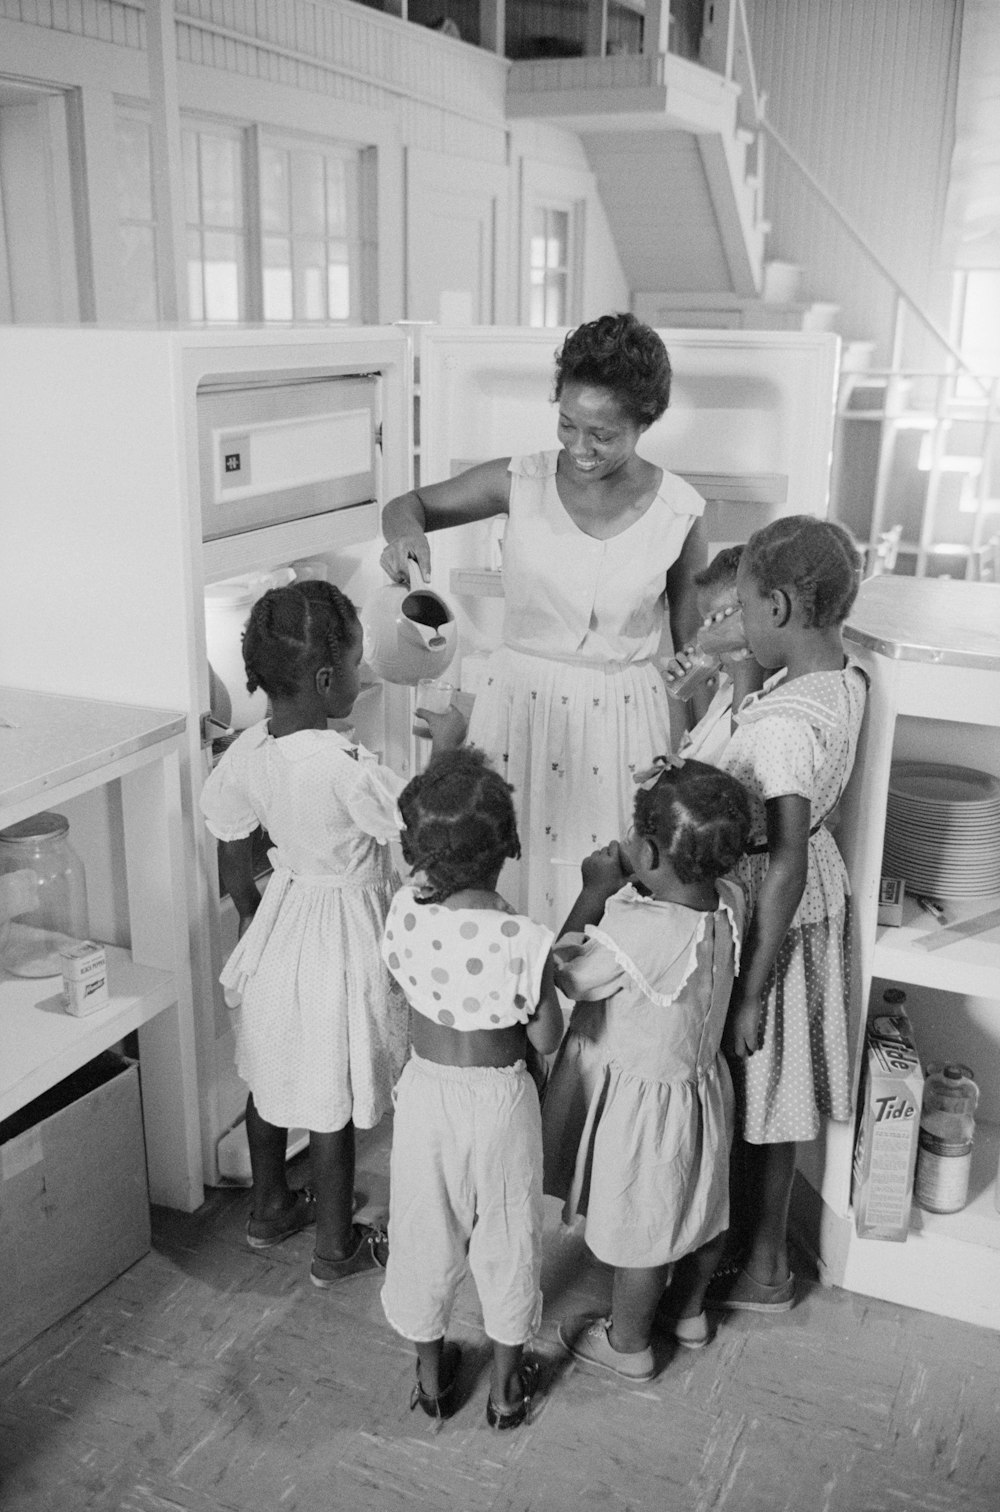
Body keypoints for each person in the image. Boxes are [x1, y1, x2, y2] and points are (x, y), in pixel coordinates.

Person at [380, 311, 708, 929]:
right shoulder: (520, 480)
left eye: (602, 435)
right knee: (500, 880)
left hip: (625, 724)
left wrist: (692, 744)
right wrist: (403, 540)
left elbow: (691, 661)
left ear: (645, 422)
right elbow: (408, 506)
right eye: (567, 425)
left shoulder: (680, 512)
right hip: (517, 708)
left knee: (609, 897)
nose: (580, 449)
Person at [200, 580, 465, 1285]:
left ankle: (268, 1209)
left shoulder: (247, 751)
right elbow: (421, 828)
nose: (362, 673)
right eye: (356, 661)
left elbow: (231, 844)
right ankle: (335, 1247)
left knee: (270, 1076)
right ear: (325, 681)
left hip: (280, 924)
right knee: (334, 1096)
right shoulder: (348, 770)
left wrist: (255, 918)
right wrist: (449, 746)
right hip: (344, 938)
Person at [709, 515, 867, 1313]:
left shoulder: (781, 729)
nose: (737, 622)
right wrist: (743, 691)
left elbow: (787, 854)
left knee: (758, 1099)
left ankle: (763, 1264)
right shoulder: (842, 680)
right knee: (774, 1098)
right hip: (812, 909)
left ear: (775, 607)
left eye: (740, 608)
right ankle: (756, 1249)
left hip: (776, 921)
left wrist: (749, 988)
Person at [548, 760, 751, 1378]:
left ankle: (629, 1343)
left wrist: (593, 891)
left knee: (640, 1225)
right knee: (698, 1208)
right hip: (699, 1092)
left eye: (636, 833)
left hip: (643, 1110)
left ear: (653, 854)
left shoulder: (636, 929)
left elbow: (566, 975)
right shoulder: (731, 900)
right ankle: (687, 1312)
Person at [379, 748, 563, 1430]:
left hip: (426, 1097)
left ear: (416, 854)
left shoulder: (403, 912)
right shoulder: (526, 938)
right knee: (509, 1238)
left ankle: (431, 1378)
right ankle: (508, 1389)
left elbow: (406, 988)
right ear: (509, 846)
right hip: (501, 1105)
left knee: (425, 1233)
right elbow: (544, 1039)